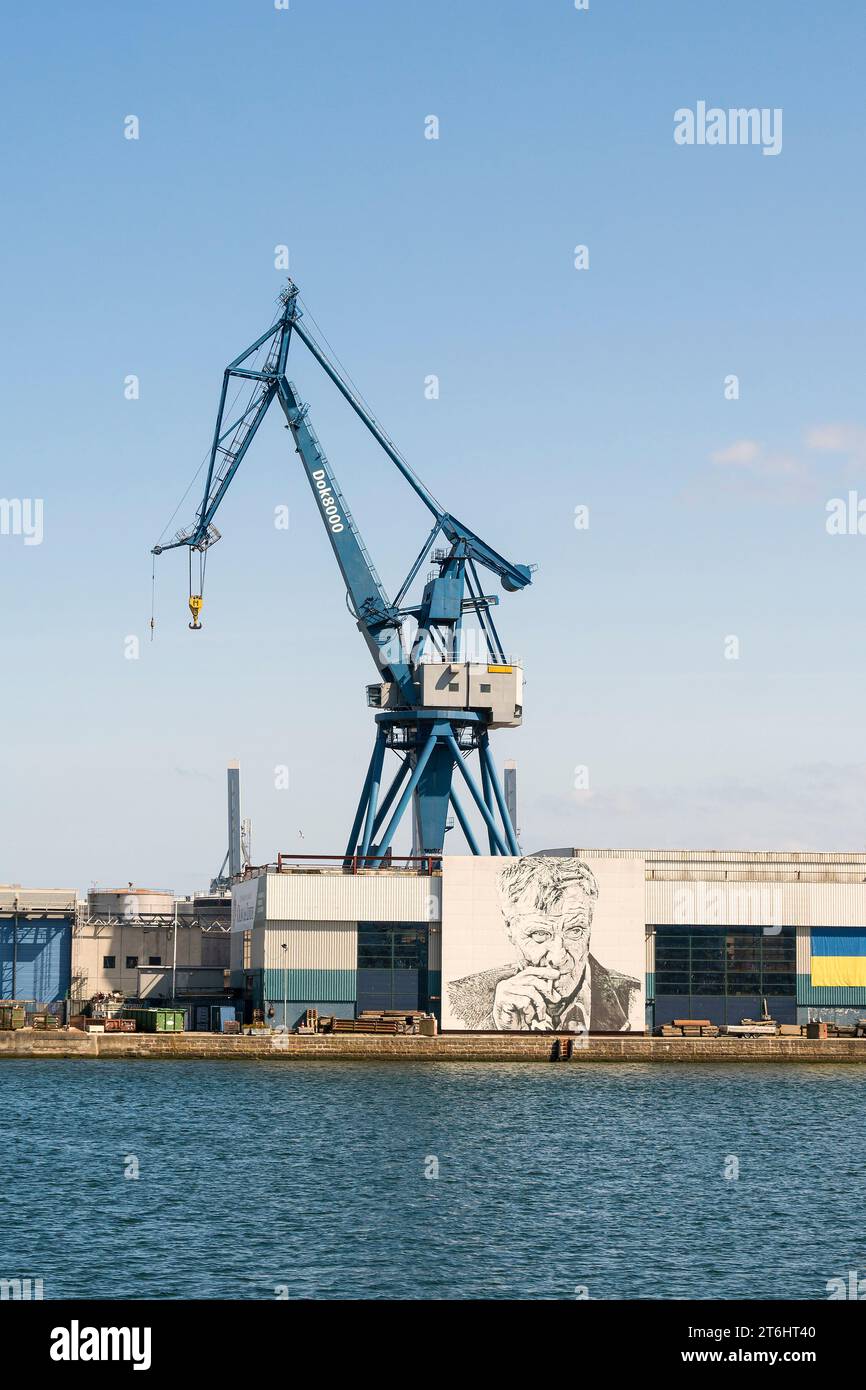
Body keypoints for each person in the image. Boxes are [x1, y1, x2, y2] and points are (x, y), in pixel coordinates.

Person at [447, 857, 640, 1032]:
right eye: (539, 934)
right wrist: (499, 1027)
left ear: (590, 925)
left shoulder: (634, 998)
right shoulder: (457, 1000)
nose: (558, 957)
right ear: (509, 928)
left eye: (575, 931)